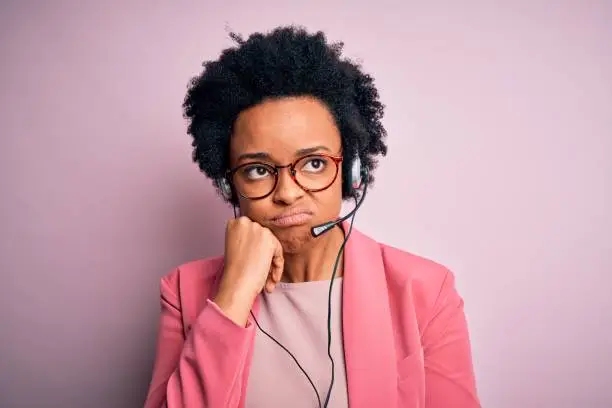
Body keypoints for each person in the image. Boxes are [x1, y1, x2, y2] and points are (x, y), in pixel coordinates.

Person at [143, 25, 481, 408]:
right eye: (257, 169)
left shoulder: (425, 291)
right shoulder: (184, 292)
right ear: (228, 184)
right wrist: (232, 294)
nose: (287, 193)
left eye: (315, 163)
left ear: (353, 172)